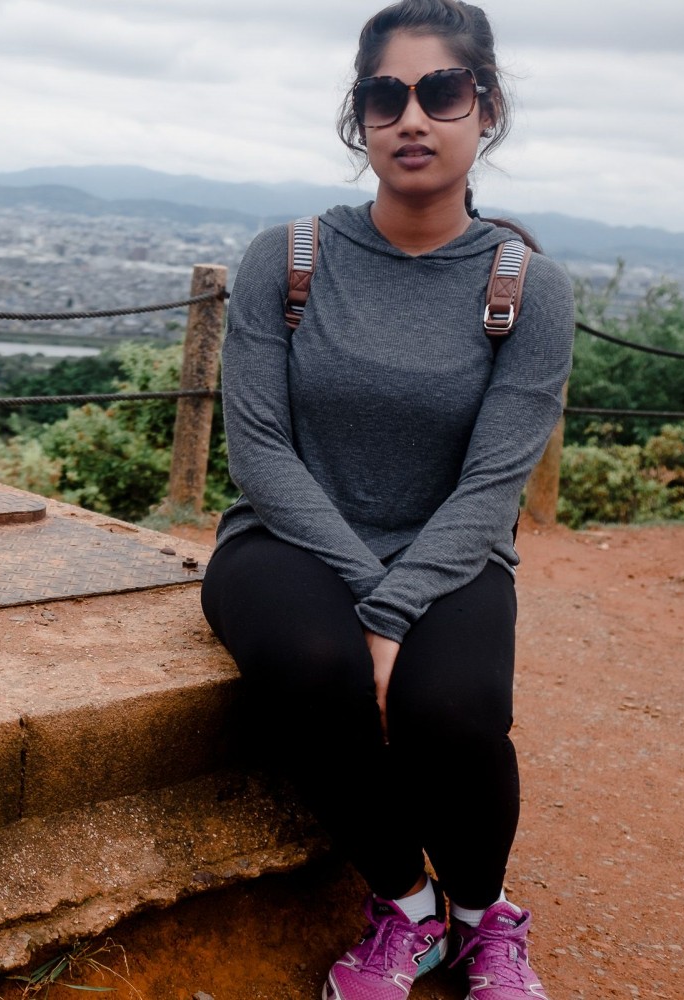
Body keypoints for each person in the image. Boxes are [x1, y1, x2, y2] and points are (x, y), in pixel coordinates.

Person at [198, 1, 573, 998]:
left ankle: (482, 914)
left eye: (440, 91)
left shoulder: (526, 286)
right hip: (288, 538)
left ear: (482, 108)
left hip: (453, 547)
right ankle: (402, 902)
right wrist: (374, 598)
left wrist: (405, 606)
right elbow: (262, 450)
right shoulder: (287, 259)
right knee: (320, 662)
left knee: (451, 704)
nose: (412, 116)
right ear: (359, 117)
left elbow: (495, 481)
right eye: (385, 95)